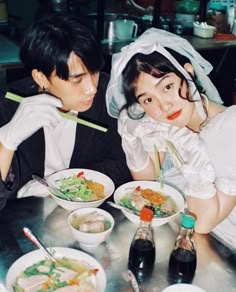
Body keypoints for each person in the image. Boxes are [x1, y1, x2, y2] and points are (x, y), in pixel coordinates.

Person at [106, 28, 236, 249]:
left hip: (224, 247)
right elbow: (149, 177)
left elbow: (202, 224)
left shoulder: (229, 129)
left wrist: (192, 152)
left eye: (167, 86)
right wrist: (130, 141)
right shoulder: (168, 122)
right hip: (186, 235)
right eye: (147, 100)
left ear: (188, 73)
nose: (163, 106)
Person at [0, 13, 132, 210]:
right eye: (76, 79)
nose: (91, 88)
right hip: (26, 221)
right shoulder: (7, 107)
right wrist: (6, 141)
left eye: (94, 71)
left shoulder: (108, 95)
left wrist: (67, 185)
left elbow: (123, 163)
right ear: (41, 77)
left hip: (86, 216)